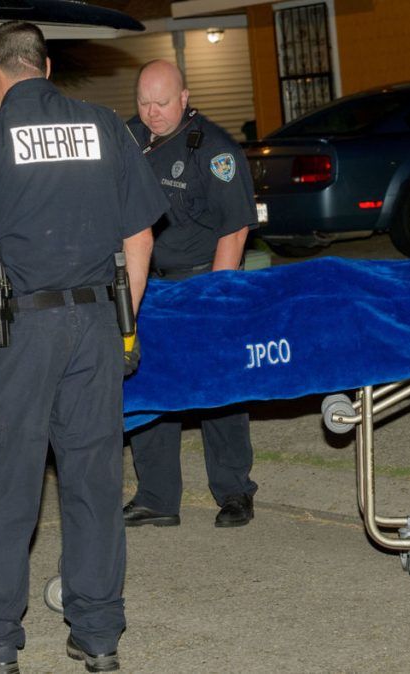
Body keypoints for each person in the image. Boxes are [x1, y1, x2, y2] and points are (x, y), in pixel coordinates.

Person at [0, 22, 166, 674]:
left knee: (8, 484)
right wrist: (126, 325)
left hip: (18, 328)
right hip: (94, 324)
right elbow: (139, 239)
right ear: (48, 66)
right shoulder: (105, 126)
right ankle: (98, 634)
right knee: (93, 481)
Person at [122, 60, 259, 529]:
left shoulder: (214, 149)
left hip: (202, 282)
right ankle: (157, 497)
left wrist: (215, 299)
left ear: (184, 97)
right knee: (149, 382)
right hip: (148, 283)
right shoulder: (130, 139)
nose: (152, 112)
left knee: (217, 388)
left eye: (162, 103)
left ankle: (235, 491)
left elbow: (235, 228)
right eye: (143, 102)